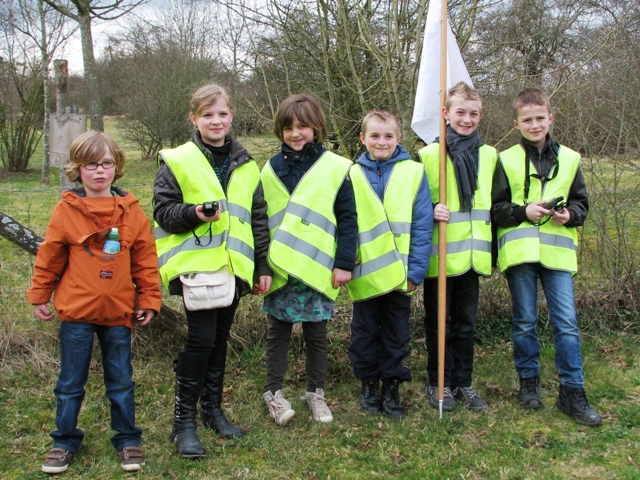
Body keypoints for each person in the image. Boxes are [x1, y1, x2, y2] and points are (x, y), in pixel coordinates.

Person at [27, 131, 162, 474]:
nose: (99, 171)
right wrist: (40, 294)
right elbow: (50, 257)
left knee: (121, 381)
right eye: (91, 165)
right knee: (70, 382)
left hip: (119, 313)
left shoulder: (132, 212)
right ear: (77, 169)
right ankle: (64, 440)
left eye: (106, 164)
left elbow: (145, 260)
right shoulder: (66, 211)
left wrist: (149, 297)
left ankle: (128, 439)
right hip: (76, 314)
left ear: (117, 168)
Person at [153, 83, 271, 457]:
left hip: (235, 268)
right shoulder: (177, 159)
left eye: (221, 113)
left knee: (220, 340)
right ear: (194, 118)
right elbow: (163, 213)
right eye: (207, 114)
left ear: (231, 116)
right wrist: (193, 214)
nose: (215, 120)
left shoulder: (247, 164)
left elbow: (258, 218)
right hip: (197, 270)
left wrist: (262, 266)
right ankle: (182, 423)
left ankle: (213, 411)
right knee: (201, 341)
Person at [491, 87, 601, 426]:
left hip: (557, 253)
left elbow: (582, 203)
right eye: (527, 120)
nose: (535, 124)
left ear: (550, 118)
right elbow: (495, 210)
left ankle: (573, 392)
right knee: (525, 321)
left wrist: (571, 216)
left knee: (566, 324)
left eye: (540, 118)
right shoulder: (505, 159)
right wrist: (525, 211)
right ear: (516, 123)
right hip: (520, 253)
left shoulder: (570, 158)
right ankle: (529, 384)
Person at [260, 93, 357, 426]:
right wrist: (262, 266)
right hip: (282, 270)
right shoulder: (270, 168)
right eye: (287, 127)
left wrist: (344, 263)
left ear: (317, 127)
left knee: (317, 334)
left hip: (318, 268)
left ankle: (316, 393)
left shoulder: (335, 166)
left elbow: (347, 218)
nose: (295, 133)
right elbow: (262, 219)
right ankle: (273, 394)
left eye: (302, 126)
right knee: (278, 333)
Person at [347, 110, 432, 418]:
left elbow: (423, 226)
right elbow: (345, 222)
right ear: (362, 138)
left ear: (399, 138)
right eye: (374, 135)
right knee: (364, 332)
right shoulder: (351, 173)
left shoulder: (414, 172)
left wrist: (417, 271)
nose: (381, 142)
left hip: (401, 273)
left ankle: (392, 384)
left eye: (388, 136)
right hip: (365, 272)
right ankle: (369, 382)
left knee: (396, 333)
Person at [418, 82, 498, 412]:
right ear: (445, 114)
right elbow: (411, 203)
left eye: (473, 113)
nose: (467, 119)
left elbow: (497, 204)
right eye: (460, 112)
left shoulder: (490, 156)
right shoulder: (428, 156)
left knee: (466, 324)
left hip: (473, 257)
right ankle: (439, 382)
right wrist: (430, 209)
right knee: (438, 323)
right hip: (440, 258)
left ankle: (463, 381)